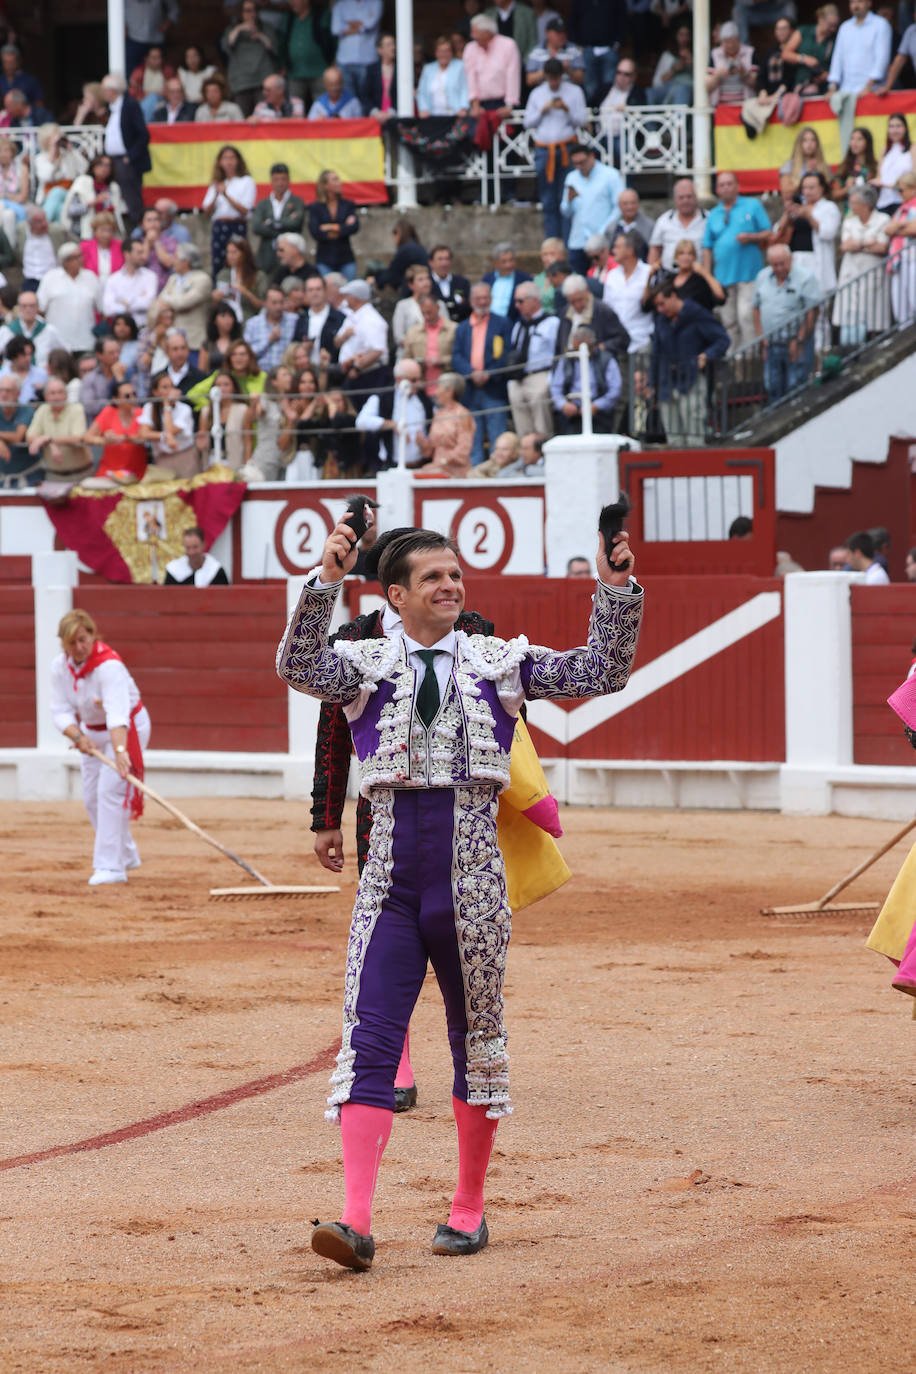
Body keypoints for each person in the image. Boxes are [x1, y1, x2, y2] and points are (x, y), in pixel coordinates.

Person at [277, 517, 642, 1271]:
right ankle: (353, 1222)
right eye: (434, 577)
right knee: (371, 1041)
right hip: (389, 886)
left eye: (455, 574)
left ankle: (468, 1207)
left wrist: (615, 590)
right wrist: (323, 579)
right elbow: (296, 664)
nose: (452, 586)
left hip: (473, 881)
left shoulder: (498, 661)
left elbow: (602, 671)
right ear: (396, 595)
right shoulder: (363, 662)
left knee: (475, 1043)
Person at [50, 608, 151, 886]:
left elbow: (118, 715)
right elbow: (59, 710)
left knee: (110, 791)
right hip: (91, 736)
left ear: (93, 636)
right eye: (72, 642)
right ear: (64, 644)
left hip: (126, 730)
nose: (79, 647)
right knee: (92, 797)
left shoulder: (109, 667)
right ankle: (126, 854)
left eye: (83, 639)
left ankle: (111, 867)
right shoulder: (60, 667)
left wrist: (120, 754)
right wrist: (77, 737)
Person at [648, 281, 731, 445]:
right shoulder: (661, 321)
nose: (660, 309)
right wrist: (652, 383)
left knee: (694, 438)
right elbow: (655, 353)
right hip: (667, 385)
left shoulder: (697, 314)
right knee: (674, 441)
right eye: (657, 306)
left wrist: (707, 355)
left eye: (662, 304)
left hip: (691, 381)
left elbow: (722, 339)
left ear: (673, 296)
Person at [702, 171, 772, 351]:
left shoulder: (752, 205)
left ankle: (749, 358)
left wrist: (752, 237)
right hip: (723, 277)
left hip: (748, 274)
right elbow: (707, 246)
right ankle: (732, 360)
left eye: (729, 184)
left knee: (746, 316)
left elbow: (768, 232)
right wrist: (707, 277)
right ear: (717, 189)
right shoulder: (714, 214)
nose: (726, 188)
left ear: (737, 186)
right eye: (722, 185)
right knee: (728, 321)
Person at [523, 59, 587, 241]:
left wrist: (566, 109)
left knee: (566, 197)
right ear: (545, 76)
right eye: (550, 79)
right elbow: (527, 122)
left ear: (562, 76)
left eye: (556, 79)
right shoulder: (537, 93)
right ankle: (552, 242)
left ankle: (568, 241)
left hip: (567, 148)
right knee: (548, 198)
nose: (553, 83)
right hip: (544, 150)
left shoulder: (574, 91)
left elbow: (582, 121)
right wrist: (543, 110)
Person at [452, 281, 512, 465]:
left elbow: (507, 354)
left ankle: (499, 472)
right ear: (471, 301)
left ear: (491, 299)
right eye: (478, 298)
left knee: (497, 436)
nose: (482, 301)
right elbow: (456, 356)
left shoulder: (502, 323)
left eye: (486, 297)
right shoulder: (462, 328)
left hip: (493, 388)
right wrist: (471, 372)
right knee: (473, 439)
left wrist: (489, 373)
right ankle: (476, 474)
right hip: (470, 391)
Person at [752, 243, 821, 399]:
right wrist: (761, 337)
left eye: (782, 263)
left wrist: (799, 340)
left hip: (797, 342)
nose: (779, 268)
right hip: (771, 344)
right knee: (772, 386)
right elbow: (756, 308)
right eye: (774, 265)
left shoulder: (805, 277)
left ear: (791, 259)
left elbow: (813, 311)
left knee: (795, 385)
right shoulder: (762, 276)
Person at [356, 357, 431, 468]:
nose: (418, 384)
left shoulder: (423, 399)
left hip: (420, 465)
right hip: (392, 466)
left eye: (420, 379)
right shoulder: (382, 397)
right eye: (414, 380)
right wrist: (392, 425)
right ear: (399, 379)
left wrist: (426, 443)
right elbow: (361, 422)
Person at [561, 143, 624, 276]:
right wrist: (569, 201)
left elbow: (619, 207)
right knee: (578, 283)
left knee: (603, 281)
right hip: (578, 241)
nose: (579, 167)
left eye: (582, 162)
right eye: (575, 163)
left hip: (603, 241)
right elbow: (565, 212)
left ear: (592, 157)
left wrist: (602, 232)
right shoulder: (572, 177)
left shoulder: (610, 175)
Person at [507, 279, 559, 436]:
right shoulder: (518, 325)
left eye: (520, 301)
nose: (517, 305)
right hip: (518, 377)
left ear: (534, 300)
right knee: (522, 425)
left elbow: (558, 353)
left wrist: (552, 379)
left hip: (540, 374)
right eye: (515, 301)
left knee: (542, 424)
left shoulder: (552, 323)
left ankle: (543, 453)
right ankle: (527, 453)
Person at [100, 72, 151, 230]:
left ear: (113, 90)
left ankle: (139, 228)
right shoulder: (111, 109)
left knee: (132, 196)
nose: (103, 93)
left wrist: (130, 157)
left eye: (105, 89)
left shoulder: (129, 105)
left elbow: (143, 134)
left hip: (126, 160)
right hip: (112, 159)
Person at [549, 324, 622, 433]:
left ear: (593, 345)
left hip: (598, 413)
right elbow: (555, 387)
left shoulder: (606, 359)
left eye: (582, 349)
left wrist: (596, 405)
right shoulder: (567, 359)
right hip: (571, 412)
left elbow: (615, 390)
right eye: (575, 349)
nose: (578, 353)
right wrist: (563, 405)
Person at [203, 146, 257, 278]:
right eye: (225, 158)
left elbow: (245, 209)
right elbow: (206, 212)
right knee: (218, 262)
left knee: (239, 262)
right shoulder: (216, 183)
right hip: (219, 226)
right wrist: (216, 194)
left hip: (236, 225)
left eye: (232, 158)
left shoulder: (246, 181)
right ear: (220, 162)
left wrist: (225, 194)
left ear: (238, 160)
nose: (229, 162)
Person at [25, 377, 90, 480]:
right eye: (52, 393)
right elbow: (29, 437)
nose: (57, 397)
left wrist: (46, 439)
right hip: (53, 475)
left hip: (80, 474)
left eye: (60, 392)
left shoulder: (76, 408)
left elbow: (77, 438)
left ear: (66, 394)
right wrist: (50, 442)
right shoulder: (43, 409)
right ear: (45, 396)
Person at [85, 379, 148, 483]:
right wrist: (104, 440)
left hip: (136, 474)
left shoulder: (142, 413)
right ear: (115, 399)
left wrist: (122, 438)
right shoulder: (108, 412)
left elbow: (142, 437)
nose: (132, 398)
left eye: (134, 394)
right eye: (127, 396)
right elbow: (87, 438)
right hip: (109, 474)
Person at [567, 0, 628, 106]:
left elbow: (623, 21)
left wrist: (617, 43)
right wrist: (578, 45)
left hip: (609, 49)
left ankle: (608, 111)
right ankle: (594, 116)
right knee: (590, 86)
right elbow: (572, 22)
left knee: (609, 85)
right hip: (587, 49)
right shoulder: (580, 2)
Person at [241, 362, 296, 480]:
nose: (289, 378)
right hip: (264, 461)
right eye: (285, 375)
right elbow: (259, 413)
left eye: (289, 375)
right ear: (274, 381)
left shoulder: (292, 402)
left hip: (284, 462)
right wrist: (255, 404)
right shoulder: (265, 399)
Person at [251, 163, 307, 276]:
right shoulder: (263, 203)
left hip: (290, 258)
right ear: (271, 181)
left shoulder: (297, 202)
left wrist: (270, 223)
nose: (280, 183)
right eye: (276, 179)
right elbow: (256, 227)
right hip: (266, 256)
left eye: (283, 179)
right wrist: (283, 228)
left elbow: (296, 224)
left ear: (288, 180)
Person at [463, 14, 521, 122]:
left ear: (487, 32)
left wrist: (509, 105)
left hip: (503, 104)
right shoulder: (470, 48)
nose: (472, 36)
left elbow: (512, 76)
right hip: (480, 105)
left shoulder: (508, 45)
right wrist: (475, 105)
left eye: (475, 32)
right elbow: (471, 78)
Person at [603, 231, 653, 356]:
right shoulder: (611, 276)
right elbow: (607, 308)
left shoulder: (649, 273)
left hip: (642, 341)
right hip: (617, 343)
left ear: (630, 250)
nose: (613, 251)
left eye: (617, 247)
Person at [224, 0, 278, 116]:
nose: (251, 14)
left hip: (262, 82)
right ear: (241, 12)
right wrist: (239, 29)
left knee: (265, 116)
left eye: (254, 10)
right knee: (242, 118)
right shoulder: (232, 29)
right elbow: (226, 46)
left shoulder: (266, 28)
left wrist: (260, 36)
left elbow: (274, 48)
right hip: (241, 82)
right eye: (247, 11)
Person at [827, 0, 892, 95]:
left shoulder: (881, 24)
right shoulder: (845, 27)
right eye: (852, 2)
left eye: (860, 1)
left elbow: (882, 59)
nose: (856, 5)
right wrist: (832, 87)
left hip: (872, 92)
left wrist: (868, 87)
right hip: (845, 91)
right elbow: (837, 58)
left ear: (869, 3)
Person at [331, 0, 383, 111]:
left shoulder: (375, 2)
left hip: (368, 60)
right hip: (345, 60)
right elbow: (335, 29)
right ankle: (352, 128)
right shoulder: (341, 5)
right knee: (348, 101)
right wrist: (360, 25)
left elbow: (370, 24)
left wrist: (347, 24)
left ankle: (366, 128)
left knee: (366, 100)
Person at [280, 0, 334, 107]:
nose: (291, 2)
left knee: (323, 107)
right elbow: (282, 43)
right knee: (294, 108)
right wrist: (283, 64)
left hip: (319, 70)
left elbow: (332, 41)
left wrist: (333, 61)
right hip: (295, 72)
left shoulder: (321, 14)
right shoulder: (289, 17)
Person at [308, 168, 359, 280]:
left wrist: (331, 227)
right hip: (325, 259)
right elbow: (316, 232)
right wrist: (342, 228)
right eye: (335, 180)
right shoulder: (315, 207)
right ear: (325, 185)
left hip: (346, 258)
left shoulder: (347, 205)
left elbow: (354, 227)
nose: (339, 182)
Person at [403, 293, 457, 394]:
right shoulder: (413, 332)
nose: (427, 317)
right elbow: (406, 360)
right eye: (423, 313)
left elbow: (461, 357)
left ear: (437, 308)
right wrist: (417, 364)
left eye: (429, 312)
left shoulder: (454, 329)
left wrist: (442, 360)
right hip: (422, 388)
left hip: (448, 388)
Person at [197, 370, 251, 470]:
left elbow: (247, 441)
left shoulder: (243, 410)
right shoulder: (206, 411)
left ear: (233, 387)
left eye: (226, 385)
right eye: (218, 385)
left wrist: (246, 466)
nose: (222, 389)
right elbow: (202, 441)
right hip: (211, 462)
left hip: (235, 462)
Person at [648, 178, 707, 270]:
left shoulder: (708, 219)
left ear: (696, 197)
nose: (685, 201)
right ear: (675, 199)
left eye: (689, 196)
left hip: (699, 278)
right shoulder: (664, 220)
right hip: (669, 277)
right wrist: (650, 275)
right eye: (681, 197)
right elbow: (655, 249)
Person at [34, 124, 87, 223]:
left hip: (69, 193)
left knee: (57, 192)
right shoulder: (41, 158)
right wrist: (52, 154)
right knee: (60, 208)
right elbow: (45, 177)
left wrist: (71, 150)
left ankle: (41, 225)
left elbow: (84, 168)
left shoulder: (68, 155)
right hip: (48, 197)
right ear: (46, 141)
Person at [781, 5, 840, 94]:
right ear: (820, 19)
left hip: (824, 89)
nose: (833, 29)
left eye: (835, 26)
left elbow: (839, 65)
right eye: (830, 25)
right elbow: (785, 54)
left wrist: (827, 75)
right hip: (802, 84)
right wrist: (804, 59)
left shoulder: (834, 39)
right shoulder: (804, 31)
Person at [102, 237, 158, 329]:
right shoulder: (113, 279)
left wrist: (124, 303)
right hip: (121, 332)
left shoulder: (151, 276)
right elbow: (107, 309)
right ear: (127, 254)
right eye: (139, 253)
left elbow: (149, 303)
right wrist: (138, 299)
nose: (143, 256)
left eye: (143, 252)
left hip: (144, 328)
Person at [598, 58, 646, 163]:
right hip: (600, 135)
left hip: (624, 136)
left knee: (624, 149)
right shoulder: (605, 88)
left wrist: (628, 109)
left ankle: (626, 179)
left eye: (626, 74)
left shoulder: (638, 92)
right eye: (619, 73)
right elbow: (590, 105)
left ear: (634, 76)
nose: (622, 77)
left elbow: (642, 113)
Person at [293, 272, 346, 365]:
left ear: (325, 291)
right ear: (305, 293)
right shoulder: (301, 319)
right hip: (306, 373)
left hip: (332, 372)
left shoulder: (339, 318)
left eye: (318, 289)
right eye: (310, 290)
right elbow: (294, 345)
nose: (314, 293)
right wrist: (302, 348)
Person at [0, 289, 62, 367]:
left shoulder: (49, 330)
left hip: (42, 377)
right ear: (18, 307)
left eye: (32, 306)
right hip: (13, 376)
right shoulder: (6, 330)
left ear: (38, 307)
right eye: (24, 306)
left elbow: (64, 354)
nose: (28, 309)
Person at [885, 170, 916, 323]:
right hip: (899, 259)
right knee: (900, 305)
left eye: (901, 190)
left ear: (913, 188)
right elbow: (887, 229)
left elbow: (914, 229)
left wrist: (899, 227)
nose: (899, 194)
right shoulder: (901, 209)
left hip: (913, 258)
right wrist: (903, 225)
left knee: (913, 299)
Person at [244, 283, 297, 369]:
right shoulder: (252, 324)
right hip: (259, 374)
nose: (279, 307)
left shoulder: (294, 320)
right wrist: (268, 341)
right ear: (264, 303)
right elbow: (246, 354)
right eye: (274, 303)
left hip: (286, 375)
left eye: (281, 302)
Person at [214, 235, 266, 322]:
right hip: (228, 321)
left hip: (249, 320)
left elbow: (263, 306)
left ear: (244, 254)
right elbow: (216, 305)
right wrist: (215, 298)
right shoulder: (223, 275)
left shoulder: (258, 276)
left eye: (234, 252)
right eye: (228, 252)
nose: (230, 256)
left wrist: (246, 292)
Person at [417, 34, 471, 115]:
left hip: (456, 113)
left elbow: (465, 88)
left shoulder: (460, 66)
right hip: (432, 115)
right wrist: (423, 109)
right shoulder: (428, 69)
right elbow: (422, 92)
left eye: (447, 51)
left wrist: (463, 107)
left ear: (451, 52)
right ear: (435, 53)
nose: (443, 54)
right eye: (440, 51)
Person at [873, 113, 916, 214]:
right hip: (883, 202)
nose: (894, 130)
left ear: (905, 128)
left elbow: (914, 178)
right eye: (891, 126)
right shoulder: (885, 150)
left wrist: (890, 185)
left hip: (903, 201)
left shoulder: (912, 148)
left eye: (898, 126)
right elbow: (879, 177)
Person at [525, 17, 585, 86]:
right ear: (547, 33)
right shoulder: (536, 51)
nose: (562, 36)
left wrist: (568, 69)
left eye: (564, 32)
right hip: (544, 92)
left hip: (569, 90)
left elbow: (581, 79)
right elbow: (529, 80)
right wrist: (548, 68)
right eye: (558, 33)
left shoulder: (574, 50)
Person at [164, 525, 229, 584]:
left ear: (204, 545)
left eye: (195, 547)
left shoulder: (216, 571)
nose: (191, 552)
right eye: (188, 548)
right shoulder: (174, 570)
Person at [832, 126, 879, 208]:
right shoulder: (844, 167)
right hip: (849, 211)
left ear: (867, 142)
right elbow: (834, 194)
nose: (854, 143)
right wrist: (847, 188)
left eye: (859, 139)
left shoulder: (874, 167)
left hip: (869, 209)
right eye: (852, 139)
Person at [647, 22, 694, 103]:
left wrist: (692, 62)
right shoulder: (668, 55)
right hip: (670, 87)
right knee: (649, 92)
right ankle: (652, 116)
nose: (684, 38)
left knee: (681, 88)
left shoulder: (697, 55)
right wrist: (673, 70)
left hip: (689, 88)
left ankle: (677, 115)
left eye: (687, 35)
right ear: (675, 36)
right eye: (681, 35)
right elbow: (657, 82)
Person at [428, 244, 472, 322]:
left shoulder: (461, 282)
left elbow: (466, 306)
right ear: (431, 262)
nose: (444, 263)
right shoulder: (427, 283)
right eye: (440, 259)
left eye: (447, 259)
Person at [199, 301, 242, 376]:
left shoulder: (239, 343)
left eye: (230, 316)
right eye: (223, 316)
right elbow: (202, 371)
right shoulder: (208, 344)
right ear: (215, 320)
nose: (227, 320)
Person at [21, 207, 57, 291]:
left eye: (45, 219)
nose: (44, 224)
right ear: (30, 224)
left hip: (52, 279)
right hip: (30, 280)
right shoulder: (22, 232)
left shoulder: (56, 231)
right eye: (39, 221)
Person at [163, 328, 208, 395]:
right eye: (175, 349)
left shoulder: (200, 377)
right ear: (166, 352)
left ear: (188, 350)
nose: (180, 353)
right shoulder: (159, 378)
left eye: (183, 348)